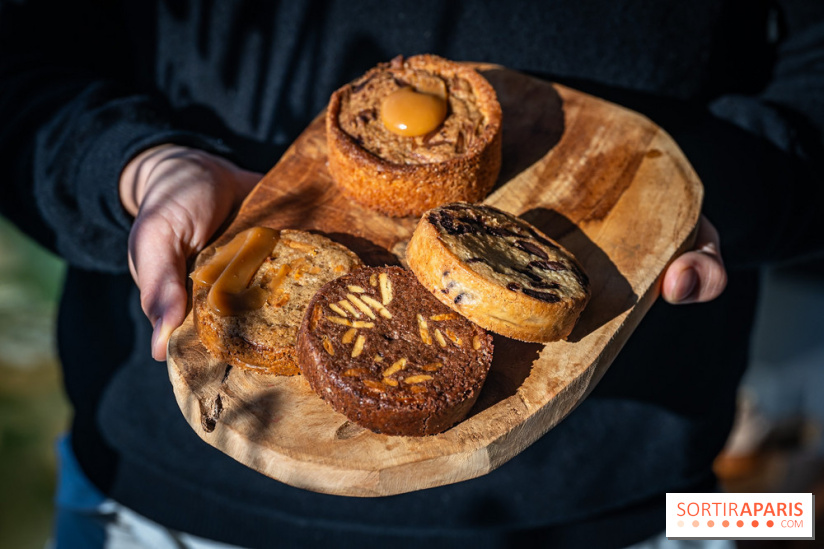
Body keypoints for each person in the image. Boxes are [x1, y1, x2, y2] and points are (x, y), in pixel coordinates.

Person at [1, 0, 822, 547]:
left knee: (790, 514)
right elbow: (24, 57)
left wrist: (691, 190)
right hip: (160, 511)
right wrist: (135, 164)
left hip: (647, 514)